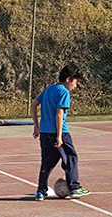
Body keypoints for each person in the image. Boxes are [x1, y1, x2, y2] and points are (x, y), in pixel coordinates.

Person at [32, 63, 90, 201]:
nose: (75, 86)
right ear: (69, 79)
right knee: (71, 158)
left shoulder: (48, 89)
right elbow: (59, 113)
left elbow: (34, 105)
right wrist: (59, 136)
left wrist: (36, 126)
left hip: (45, 132)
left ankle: (41, 191)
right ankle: (75, 187)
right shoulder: (64, 92)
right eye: (76, 82)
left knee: (47, 162)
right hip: (60, 132)